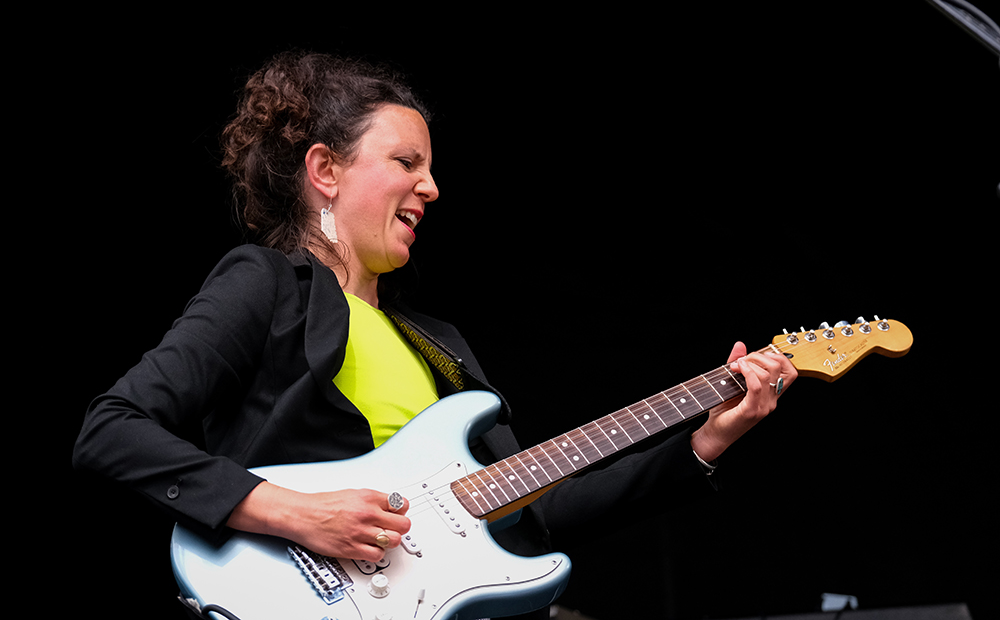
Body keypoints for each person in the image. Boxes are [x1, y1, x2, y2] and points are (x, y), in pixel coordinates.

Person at [73, 51, 796, 619]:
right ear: (325, 170)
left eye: (430, 168)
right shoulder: (267, 283)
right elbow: (112, 429)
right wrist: (293, 513)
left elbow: (542, 513)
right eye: (406, 163)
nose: (431, 187)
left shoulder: (439, 343)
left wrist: (706, 439)